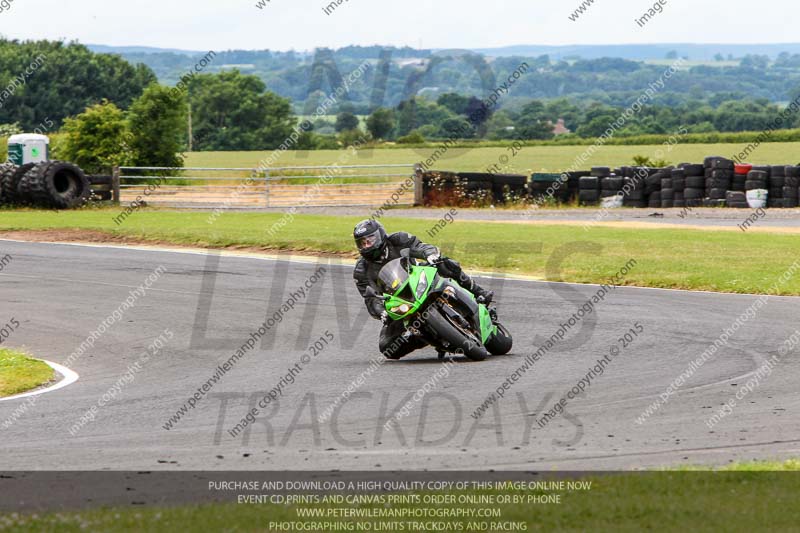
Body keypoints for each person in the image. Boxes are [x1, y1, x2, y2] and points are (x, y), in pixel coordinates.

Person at [352, 219, 493, 359]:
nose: (367, 245)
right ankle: (425, 336)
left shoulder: (398, 239)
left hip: (418, 279)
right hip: (398, 302)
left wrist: (431, 255)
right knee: (386, 347)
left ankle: (478, 291)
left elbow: (420, 247)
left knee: (445, 263)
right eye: (362, 243)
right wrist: (381, 313)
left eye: (370, 240)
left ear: (380, 234)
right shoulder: (361, 270)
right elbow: (370, 299)